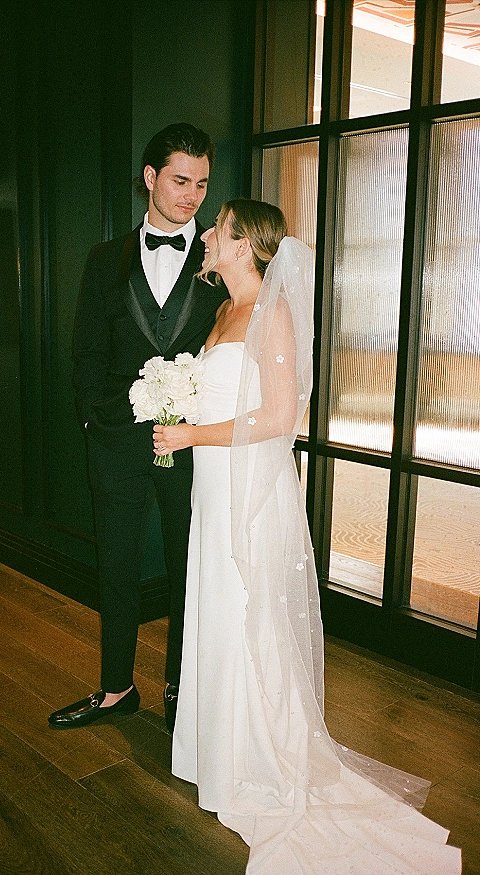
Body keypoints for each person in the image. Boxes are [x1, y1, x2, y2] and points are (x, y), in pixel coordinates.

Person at [153, 199, 461, 874]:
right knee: (216, 607)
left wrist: (188, 432)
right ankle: (213, 753)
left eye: (217, 228)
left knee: (243, 614)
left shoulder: (275, 312)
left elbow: (277, 417)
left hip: (248, 490)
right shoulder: (219, 312)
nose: (204, 235)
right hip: (213, 485)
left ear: (244, 245)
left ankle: (253, 758)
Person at [48, 123, 227, 733]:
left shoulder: (215, 263)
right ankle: (116, 689)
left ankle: (183, 690)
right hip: (118, 445)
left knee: (188, 566)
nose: (192, 196)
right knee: (117, 565)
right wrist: (104, 424)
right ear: (150, 178)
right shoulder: (106, 259)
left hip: (195, 447)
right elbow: (85, 354)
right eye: (180, 180)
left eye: (202, 183)